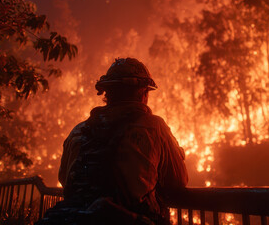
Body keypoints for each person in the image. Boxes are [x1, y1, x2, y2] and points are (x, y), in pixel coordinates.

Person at [37, 57, 188, 225]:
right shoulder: (154, 126)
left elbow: (65, 180)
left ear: (107, 93)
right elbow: (177, 181)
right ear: (143, 93)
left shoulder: (78, 131)